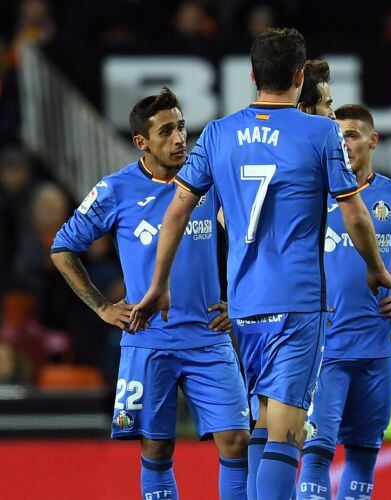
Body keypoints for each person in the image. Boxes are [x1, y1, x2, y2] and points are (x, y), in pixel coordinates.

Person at [130, 28, 391, 500]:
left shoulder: (218, 132)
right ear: (300, 77)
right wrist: (377, 267)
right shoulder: (321, 131)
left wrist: (157, 284)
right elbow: (355, 212)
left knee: (264, 422)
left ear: (253, 75)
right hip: (296, 303)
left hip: (243, 305)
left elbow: (177, 210)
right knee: (287, 432)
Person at [51, 88, 250, 499]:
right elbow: (62, 248)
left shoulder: (209, 179)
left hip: (208, 337)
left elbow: (249, 238)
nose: (179, 138)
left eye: (180, 127)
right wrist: (103, 308)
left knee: (236, 441)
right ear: (141, 142)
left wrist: (242, 298)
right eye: (166, 131)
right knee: (156, 448)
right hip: (148, 341)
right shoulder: (115, 189)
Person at [296, 103, 391, 500]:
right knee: (316, 450)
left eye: (352, 135)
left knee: (364, 453)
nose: (344, 143)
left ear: (372, 141)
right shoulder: (310, 193)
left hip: (378, 346)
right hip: (323, 346)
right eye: (338, 135)